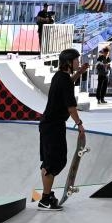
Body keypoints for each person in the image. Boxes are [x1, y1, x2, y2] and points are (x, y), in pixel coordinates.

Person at [37, 48, 88, 211]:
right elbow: (71, 107)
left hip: (50, 125)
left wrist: (79, 72)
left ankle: (46, 195)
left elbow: (68, 83)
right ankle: (45, 199)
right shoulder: (63, 79)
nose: (78, 62)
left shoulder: (60, 76)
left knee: (52, 161)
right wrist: (79, 124)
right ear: (68, 62)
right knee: (54, 162)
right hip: (53, 126)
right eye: (76, 61)